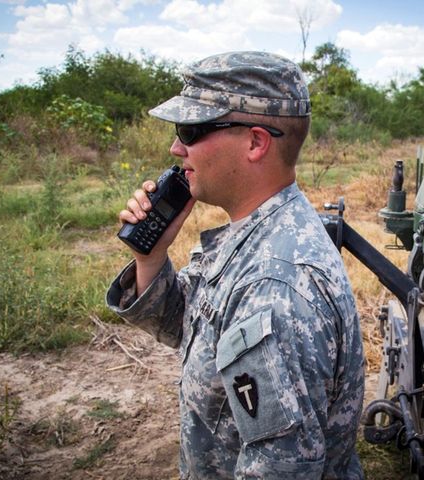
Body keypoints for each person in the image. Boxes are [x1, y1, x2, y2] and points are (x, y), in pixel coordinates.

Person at [106, 51, 365, 479]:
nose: (176, 148)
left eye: (190, 131)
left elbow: (280, 470)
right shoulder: (255, 230)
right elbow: (187, 326)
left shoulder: (276, 285)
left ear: (256, 143)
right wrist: (150, 259)